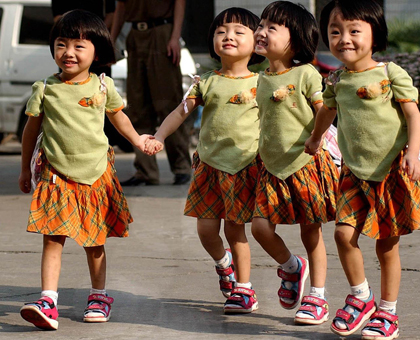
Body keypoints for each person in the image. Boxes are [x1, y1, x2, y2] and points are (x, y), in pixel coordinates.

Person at [305, 0, 420, 338]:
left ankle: (388, 313)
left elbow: (412, 115)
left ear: (374, 35)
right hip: (354, 172)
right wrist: (316, 137)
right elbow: (327, 113)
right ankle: (361, 296)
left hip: (392, 171)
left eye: (353, 31)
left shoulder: (390, 73)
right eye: (335, 32)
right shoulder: (336, 80)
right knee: (342, 234)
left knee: (386, 246)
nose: (343, 39)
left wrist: (413, 150)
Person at [18, 10, 150, 330]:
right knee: (53, 239)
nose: (69, 53)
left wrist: (138, 140)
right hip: (55, 175)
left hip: (95, 174)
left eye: (79, 45)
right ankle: (48, 300)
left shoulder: (102, 86)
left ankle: (99, 295)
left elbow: (119, 118)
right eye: (61, 44)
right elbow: (30, 132)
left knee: (94, 241)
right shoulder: (45, 88)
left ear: (97, 51)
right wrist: (25, 170)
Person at [145, 7, 265, 314]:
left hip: (242, 168)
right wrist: (159, 135)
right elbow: (179, 112)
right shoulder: (206, 82)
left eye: (239, 32)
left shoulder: (262, 84)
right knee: (206, 230)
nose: (229, 36)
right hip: (208, 169)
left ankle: (244, 289)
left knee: (235, 231)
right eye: (221, 31)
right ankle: (224, 264)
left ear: (256, 43)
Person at [251, 1, 339, 325]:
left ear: (296, 40)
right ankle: (291, 268)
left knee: (310, 232)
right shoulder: (259, 79)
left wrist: (317, 137)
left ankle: (317, 296)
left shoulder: (306, 73)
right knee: (259, 227)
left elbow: (322, 110)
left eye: (272, 28)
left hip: (304, 164)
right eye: (260, 25)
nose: (261, 32)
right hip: (270, 167)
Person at [111, 0, 192, 186]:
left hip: (162, 33)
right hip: (134, 35)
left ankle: (181, 167)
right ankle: (146, 171)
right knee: (137, 107)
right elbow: (121, 7)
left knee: (168, 104)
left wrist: (175, 37)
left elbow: (180, 3)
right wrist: (112, 39)